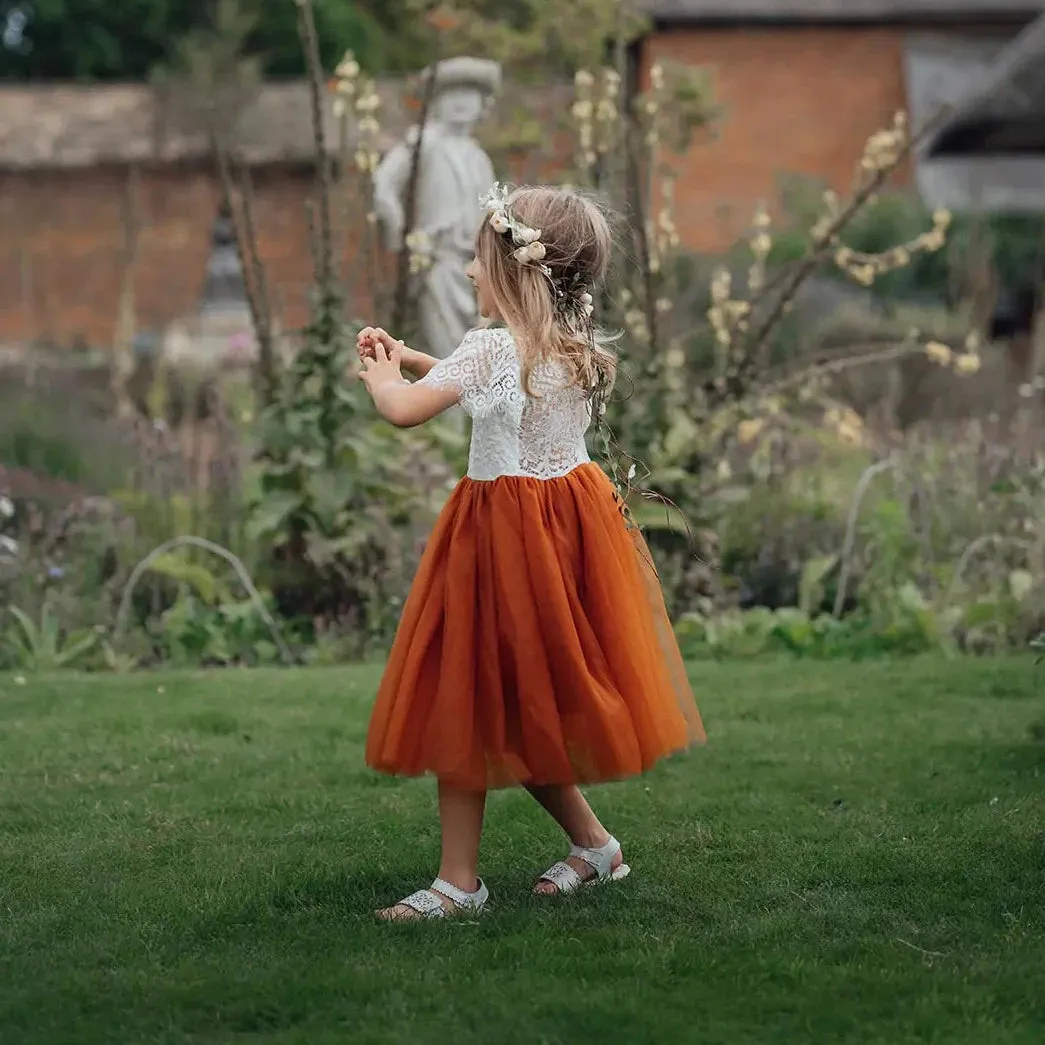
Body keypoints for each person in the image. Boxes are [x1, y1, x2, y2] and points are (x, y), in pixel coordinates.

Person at [355, 183, 705, 921]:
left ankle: (459, 883)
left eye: (478, 262)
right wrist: (417, 357)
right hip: (560, 538)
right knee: (520, 704)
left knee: (468, 695)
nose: (469, 275)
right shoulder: (570, 347)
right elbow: (477, 382)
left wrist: (384, 377)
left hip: (500, 545)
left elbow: (405, 411)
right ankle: (594, 845)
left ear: (513, 271)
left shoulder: (488, 350)